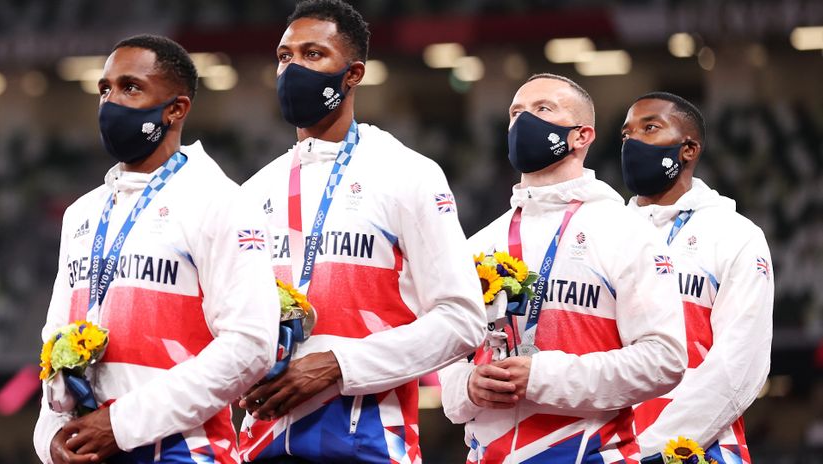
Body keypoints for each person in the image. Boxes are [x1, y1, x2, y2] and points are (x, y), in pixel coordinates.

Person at [237, 1, 486, 463]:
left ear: (352, 74)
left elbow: (463, 320)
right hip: (262, 443)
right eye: (285, 56)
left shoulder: (407, 174)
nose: (292, 68)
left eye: (313, 55)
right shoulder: (252, 192)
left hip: (371, 441)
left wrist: (338, 366)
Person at [32, 35, 278, 464]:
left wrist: (122, 424)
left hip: (188, 453)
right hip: (93, 451)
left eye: (131, 87)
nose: (111, 101)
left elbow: (250, 345)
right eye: (105, 88)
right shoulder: (81, 214)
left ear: (176, 109)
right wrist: (52, 437)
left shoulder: (221, 202)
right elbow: (54, 342)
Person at [438, 74, 688, 463]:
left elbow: (664, 359)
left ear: (581, 135)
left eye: (542, 110)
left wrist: (542, 377)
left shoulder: (626, 231)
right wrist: (466, 387)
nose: (523, 122)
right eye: (515, 112)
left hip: (590, 453)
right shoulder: (480, 243)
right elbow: (451, 362)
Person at [621, 92, 774, 463]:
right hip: (608, 445)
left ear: (688, 149)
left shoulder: (735, 235)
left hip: (702, 448)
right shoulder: (604, 233)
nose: (632, 141)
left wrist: (651, 446)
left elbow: (740, 363)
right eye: (625, 134)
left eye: (650, 128)